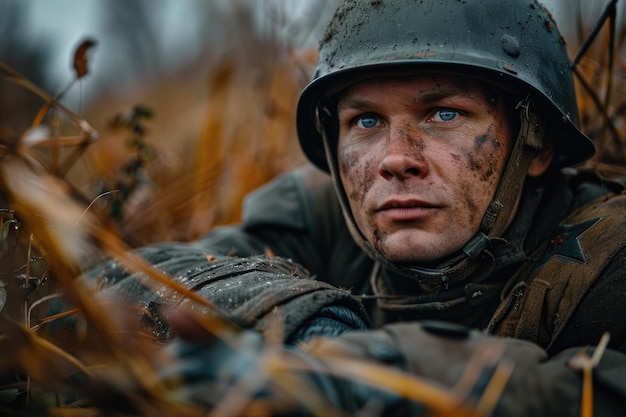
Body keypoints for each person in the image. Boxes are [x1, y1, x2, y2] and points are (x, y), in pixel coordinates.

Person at [77, 0, 626, 415]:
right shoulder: (327, 213)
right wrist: (311, 328)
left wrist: (364, 376)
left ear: (537, 144)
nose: (395, 160)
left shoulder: (608, 259)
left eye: (445, 114)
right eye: (365, 121)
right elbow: (111, 281)